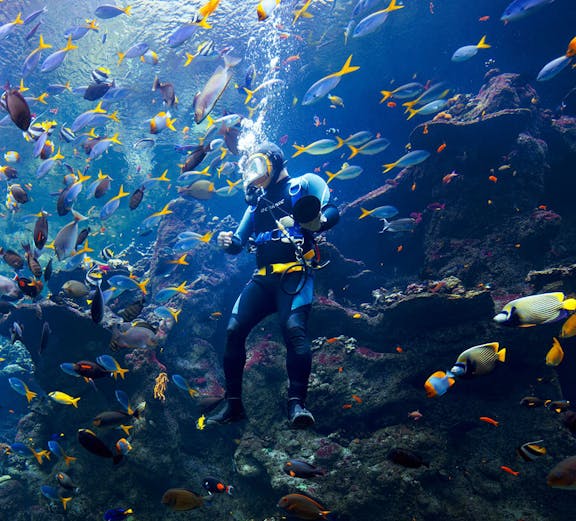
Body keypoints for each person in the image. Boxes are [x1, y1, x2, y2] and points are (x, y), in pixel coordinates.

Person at [207, 142, 340, 428]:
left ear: (275, 163)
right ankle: (233, 405)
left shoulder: (304, 184)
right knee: (233, 330)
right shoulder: (256, 204)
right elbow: (238, 243)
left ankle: (297, 405)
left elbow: (332, 210)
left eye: (259, 166)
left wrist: (318, 222)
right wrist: (227, 241)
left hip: (295, 274)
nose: (255, 175)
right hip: (263, 278)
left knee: (294, 329)